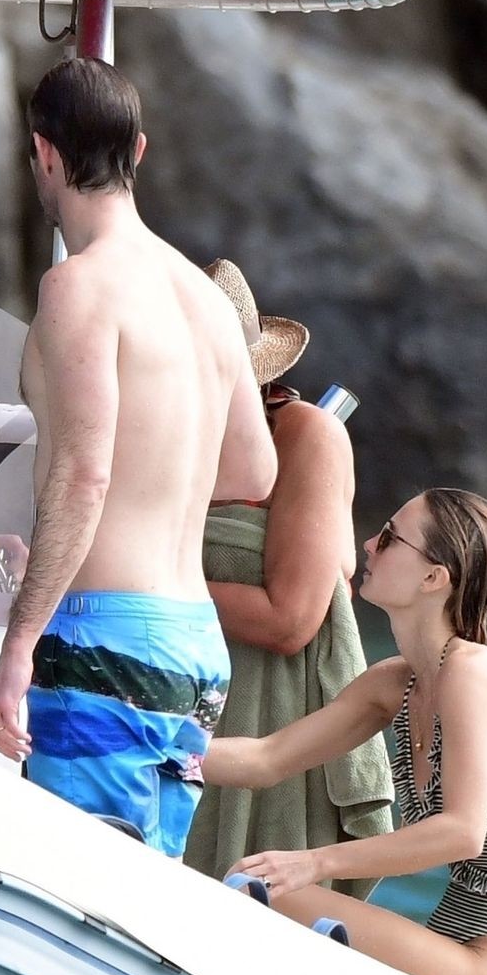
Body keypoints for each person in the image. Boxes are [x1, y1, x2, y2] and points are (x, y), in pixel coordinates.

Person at [0, 58, 272, 857]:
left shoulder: (78, 286)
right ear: (137, 151)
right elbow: (254, 471)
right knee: (144, 894)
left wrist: (17, 645)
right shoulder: (206, 297)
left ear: (44, 153)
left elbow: (84, 475)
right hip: (196, 651)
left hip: (105, 644)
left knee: (80, 889)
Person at [203, 490, 487, 975]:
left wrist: (313, 863)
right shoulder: (395, 683)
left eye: (391, 538)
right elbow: (266, 759)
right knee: (258, 886)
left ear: (433, 578)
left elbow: (462, 832)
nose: (369, 544)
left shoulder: (474, 674)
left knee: (260, 888)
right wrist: (151, 745)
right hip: (452, 942)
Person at [183, 261, 392, 897]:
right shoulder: (163, 431)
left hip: (266, 716)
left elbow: (291, 618)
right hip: (172, 688)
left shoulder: (305, 434)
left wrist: (151, 578)